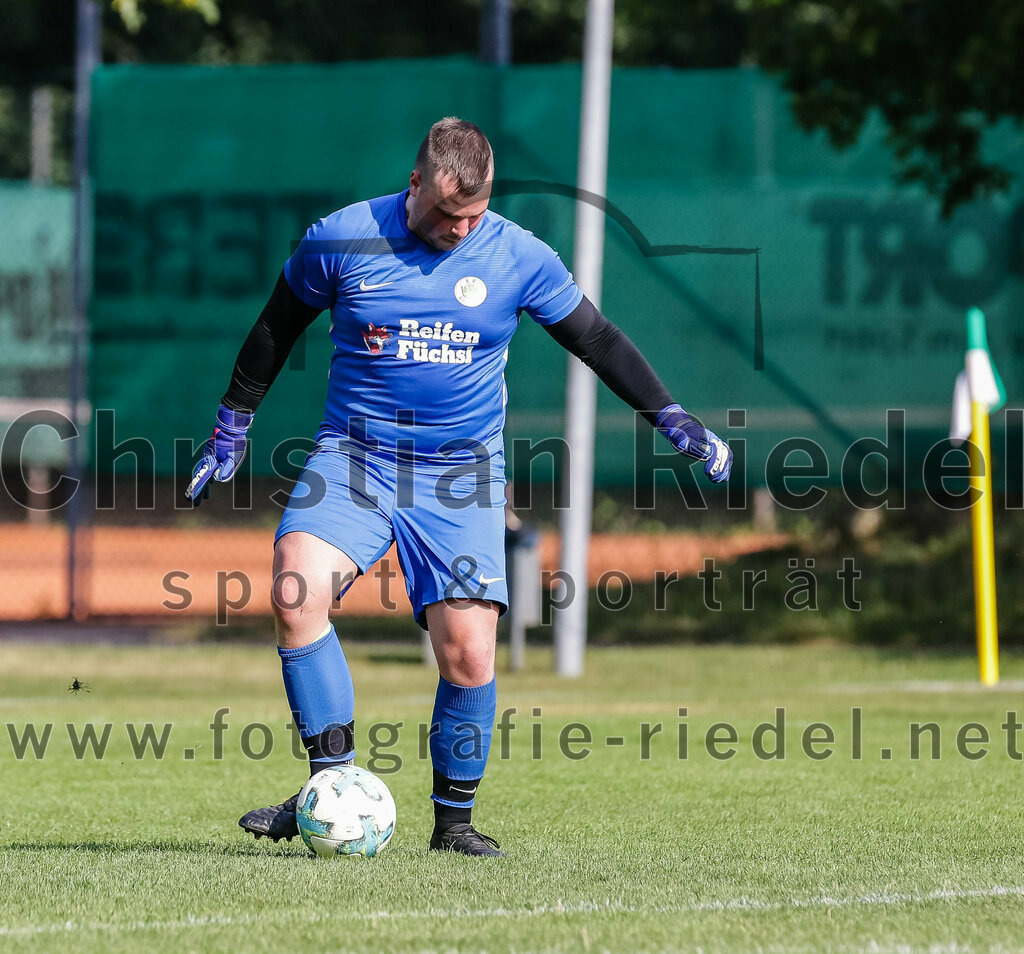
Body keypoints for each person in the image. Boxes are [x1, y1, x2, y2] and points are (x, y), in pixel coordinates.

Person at [186, 117, 733, 858]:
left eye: (473, 215)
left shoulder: (518, 255)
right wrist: (233, 420)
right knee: (294, 592)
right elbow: (277, 326)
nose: (459, 228)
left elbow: (596, 339)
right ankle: (331, 787)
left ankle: (454, 826)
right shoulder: (343, 237)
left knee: (471, 652)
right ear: (415, 183)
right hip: (355, 459)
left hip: (461, 476)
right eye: (447, 212)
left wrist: (669, 415)